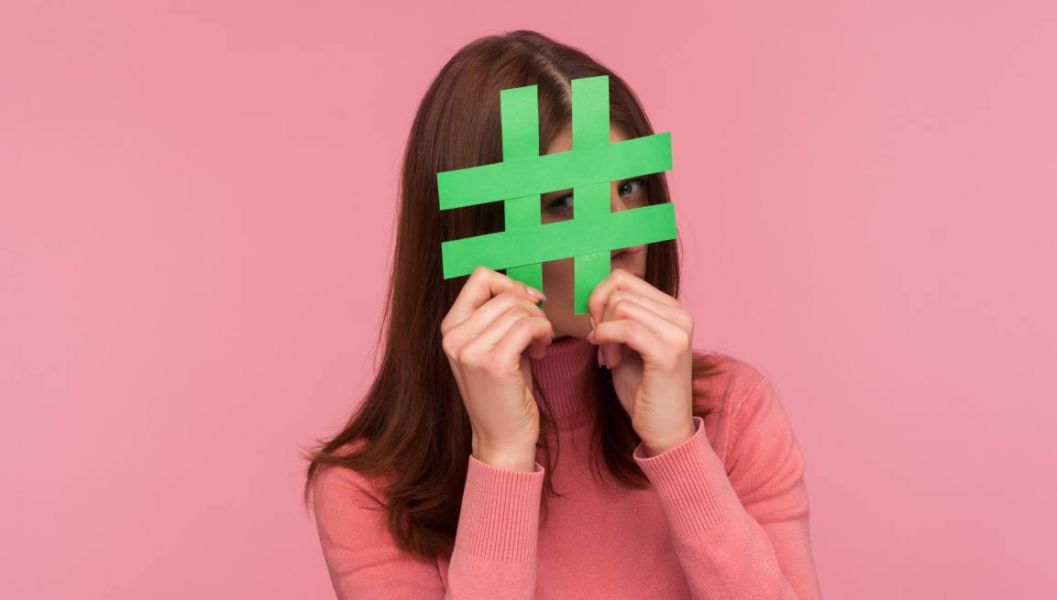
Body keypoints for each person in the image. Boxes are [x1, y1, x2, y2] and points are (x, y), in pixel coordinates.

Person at [302, 29, 822, 599]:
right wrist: (501, 461)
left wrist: (678, 450)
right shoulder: (367, 488)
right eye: (564, 203)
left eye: (630, 187)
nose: (623, 234)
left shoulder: (733, 413)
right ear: (478, 234)